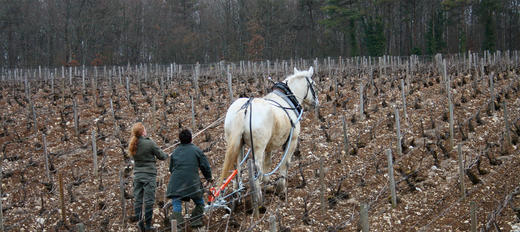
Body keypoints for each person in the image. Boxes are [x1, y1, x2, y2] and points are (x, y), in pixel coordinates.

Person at [166, 129, 212, 229]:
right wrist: (209, 178)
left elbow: (171, 169)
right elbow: (205, 166)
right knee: (200, 203)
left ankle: (179, 225)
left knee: (177, 205)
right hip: (193, 185)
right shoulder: (197, 150)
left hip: (176, 185)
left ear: (180, 140)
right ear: (191, 139)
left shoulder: (175, 152)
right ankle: (195, 221)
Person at [128, 122, 168, 232]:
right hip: (149, 176)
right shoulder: (149, 143)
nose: (146, 130)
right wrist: (167, 155)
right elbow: (162, 156)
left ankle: (140, 225)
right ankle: (148, 225)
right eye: (144, 129)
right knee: (149, 201)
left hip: (137, 175)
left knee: (138, 200)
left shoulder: (133, 143)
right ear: (142, 132)